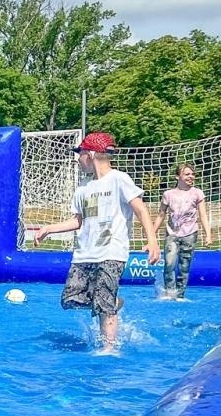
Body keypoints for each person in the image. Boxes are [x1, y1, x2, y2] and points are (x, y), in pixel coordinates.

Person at [32, 131, 160, 352]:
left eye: (79, 154)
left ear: (90, 154)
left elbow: (140, 208)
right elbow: (77, 220)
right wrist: (48, 229)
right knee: (70, 300)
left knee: (102, 304)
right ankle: (113, 302)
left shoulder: (119, 179)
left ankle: (109, 349)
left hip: (112, 251)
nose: (78, 159)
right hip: (85, 253)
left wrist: (152, 240)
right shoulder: (84, 187)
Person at [156, 164, 211, 300]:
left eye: (192, 174)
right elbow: (161, 215)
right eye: (187, 174)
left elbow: (203, 215)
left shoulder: (197, 193)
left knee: (184, 266)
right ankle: (169, 293)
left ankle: (180, 295)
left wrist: (208, 235)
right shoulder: (168, 194)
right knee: (169, 263)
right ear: (177, 177)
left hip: (190, 234)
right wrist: (151, 235)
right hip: (172, 234)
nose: (191, 176)